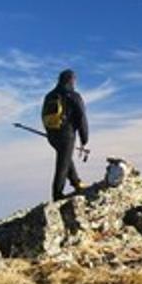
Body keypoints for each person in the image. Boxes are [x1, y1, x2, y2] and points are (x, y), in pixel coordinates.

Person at [42, 69, 90, 200]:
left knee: (66, 158)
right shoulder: (73, 95)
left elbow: (43, 116)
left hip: (52, 135)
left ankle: (76, 182)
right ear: (71, 80)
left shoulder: (49, 96)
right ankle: (57, 193)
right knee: (62, 164)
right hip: (66, 135)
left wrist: (49, 133)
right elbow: (81, 118)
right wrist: (84, 138)